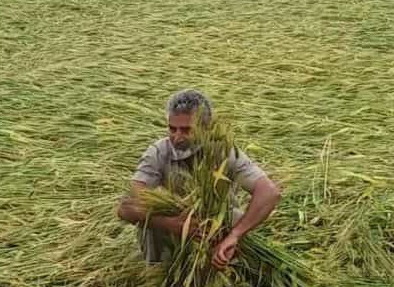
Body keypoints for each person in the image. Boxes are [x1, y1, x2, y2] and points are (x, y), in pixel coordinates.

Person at [116, 89, 281, 270]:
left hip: (216, 226)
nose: (177, 137)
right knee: (148, 221)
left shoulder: (223, 151)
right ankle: (161, 271)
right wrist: (172, 224)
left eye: (186, 130)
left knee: (235, 220)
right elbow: (126, 207)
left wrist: (235, 235)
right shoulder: (158, 152)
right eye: (172, 129)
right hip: (176, 221)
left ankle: (232, 270)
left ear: (206, 127)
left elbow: (269, 192)